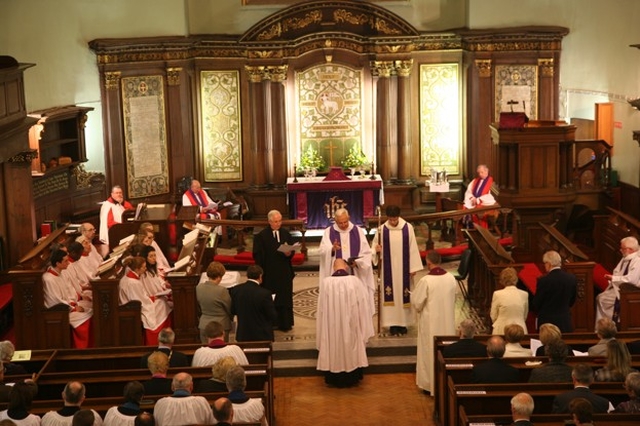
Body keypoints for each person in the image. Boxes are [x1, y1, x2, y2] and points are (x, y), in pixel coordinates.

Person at [316, 258, 374, 388]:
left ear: (333, 268)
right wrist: (363, 325)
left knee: (334, 343)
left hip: (332, 326)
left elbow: (321, 310)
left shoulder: (326, 283)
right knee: (351, 343)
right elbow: (363, 306)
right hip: (351, 324)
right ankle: (352, 376)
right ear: (346, 267)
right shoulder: (355, 281)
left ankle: (334, 377)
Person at [371, 205, 423, 336]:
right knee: (390, 294)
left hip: (404, 270)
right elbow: (374, 247)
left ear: (398, 216)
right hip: (388, 271)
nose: (393, 222)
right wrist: (375, 250)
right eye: (391, 219)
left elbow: (413, 247)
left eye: (395, 219)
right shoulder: (382, 229)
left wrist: (413, 267)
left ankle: (403, 323)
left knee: (403, 295)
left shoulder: (408, 228)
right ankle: (392, 324)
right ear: (387, 217)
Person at [411, 251, 456, 393]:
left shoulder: (426, 280)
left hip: (430, 324)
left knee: (429, 350)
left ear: (428, 263)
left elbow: (418, 303)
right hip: (447, 322)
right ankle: (444, 384)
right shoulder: (450, 278)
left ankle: (429, 385)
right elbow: (453, 298)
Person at [318, 208, 375, 320]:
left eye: (345, 222)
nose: (343, 225)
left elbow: (366, 253)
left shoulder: (357, 231)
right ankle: (338, 319)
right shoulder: (329, 232)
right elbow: (322, 251)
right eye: (340, 223)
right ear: (335, 220)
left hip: (356, 273)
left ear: (349, 218)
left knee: (356, 305)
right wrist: (332, 249)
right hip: (336, 278)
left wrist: (357, 263)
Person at [252, 209, 296, 332]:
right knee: (271, 298)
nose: (278, 224)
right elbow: (258, 255)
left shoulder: (286, 234)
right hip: (269, 273)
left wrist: (289, 253)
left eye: (280, 221)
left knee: (285, 297)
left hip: (284, 272)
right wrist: (261, 273)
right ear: (269, 221)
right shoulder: (261, 236)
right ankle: (271, 322)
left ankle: (285, 323)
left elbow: (292, 250)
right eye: (275, 221)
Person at [42, 249, 93, 349]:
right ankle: (82, 347)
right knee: (87, 316)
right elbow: (55, 301)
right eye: (65, 261)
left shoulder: (59, 273)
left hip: (66, 307)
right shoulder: (48, 279)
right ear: (57, 263)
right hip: (58, 313)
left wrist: (74, 304)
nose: (68, 263)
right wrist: (73, 308)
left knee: (91, 309)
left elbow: (66, 294)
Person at [119, 256, 172, 346]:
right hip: (133, 309)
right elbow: (140, 301)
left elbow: (140, 296)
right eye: (144, 267)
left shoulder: (128, 278)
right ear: (137, 269)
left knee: (162, 302)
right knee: (162, 304)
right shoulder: (133, 283)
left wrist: (151, 298)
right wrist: (152, 298)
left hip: (134, 304)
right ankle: (157, 339)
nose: (145, 269)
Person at [596, 236, 640, 324]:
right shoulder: (626, 258)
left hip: (631, 291)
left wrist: (613, 278)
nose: (620, 250)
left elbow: (632, 280)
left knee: (602, 299)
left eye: (622, 248)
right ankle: (605, 325)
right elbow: (617, 271)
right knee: (600, 297)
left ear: (630, 249)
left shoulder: (637, 260)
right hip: (622, 288)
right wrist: (612, 277)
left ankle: (611, 324)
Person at [229, 265, 278, 342]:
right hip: (262, 336)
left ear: (247, 275)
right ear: (260, 276)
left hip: (243, 334)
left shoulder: (236, 290)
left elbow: (233, 311)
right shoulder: (265, 294)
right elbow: (272, 315)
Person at [532, 250, 577, 332]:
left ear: (549, 264)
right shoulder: (571, 279)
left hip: (547, 325)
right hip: (565, 322)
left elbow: (536, 303)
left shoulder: (544, 280)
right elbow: (572, 301)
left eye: (545, 263)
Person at [196, 261, 233, 343]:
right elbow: (229, 308)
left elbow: (198, 306)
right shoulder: (222, 290)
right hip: (221, 325)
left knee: (206, 351)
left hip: (204, 324)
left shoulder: (198, 288)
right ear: (219, 277)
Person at [490, 267, 528, 335]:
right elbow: (525, 314)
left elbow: (493, 315)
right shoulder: (524, 294)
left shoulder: (497, 294)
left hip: (502, 329)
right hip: (520, 329)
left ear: (502, 280)